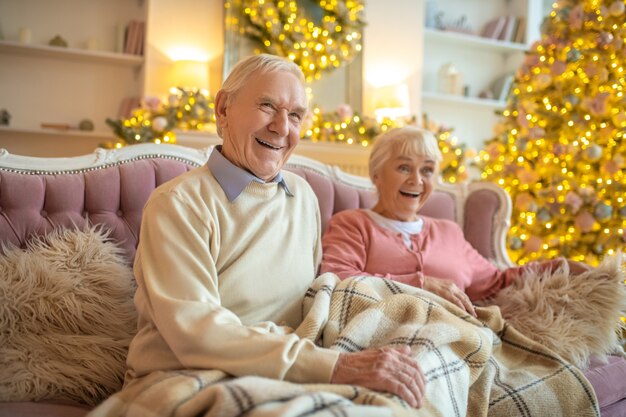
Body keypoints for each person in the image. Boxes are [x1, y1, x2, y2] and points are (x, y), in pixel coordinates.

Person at [125, 54, 425, 408]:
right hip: (185, 375)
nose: (282, 127)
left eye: (295, 114)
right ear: (223, 109)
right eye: (268, 106)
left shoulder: (303, 196)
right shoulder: (177, 203)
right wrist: (334, 367)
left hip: (292, 371)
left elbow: (315, 299)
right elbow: (196, 335)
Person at [320, 126, 590, 316]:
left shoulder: (448, 232)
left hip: (458, 337)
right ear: (376, 174)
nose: (417, 180)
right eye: (404, 167)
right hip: (387, 336)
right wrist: (421, 284)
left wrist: (561, 267)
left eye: (427, 170)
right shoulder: (353, 224)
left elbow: (497, 281)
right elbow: (339, 280)